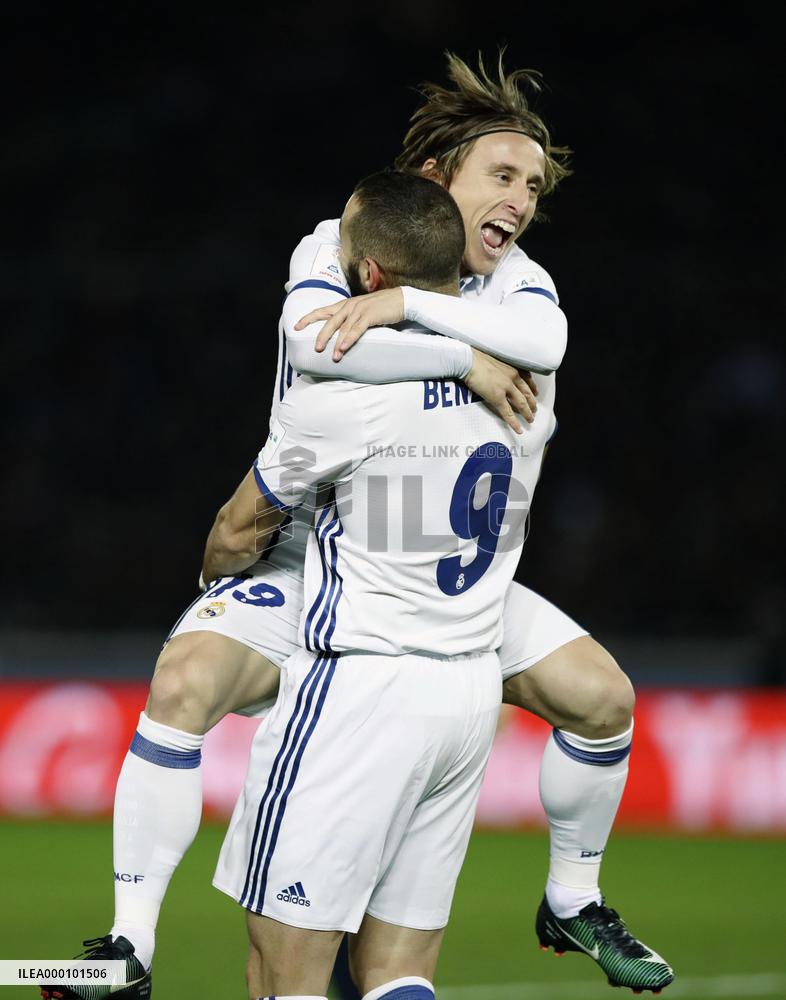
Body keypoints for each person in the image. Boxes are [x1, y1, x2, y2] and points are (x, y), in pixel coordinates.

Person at [52, 52, 671, 999]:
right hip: (312, 556)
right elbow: (317, 341)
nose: (520, 201)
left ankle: (573, 896)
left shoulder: (520, 289)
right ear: (434, 181)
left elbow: (534, 344)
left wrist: (417, 319)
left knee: (601, 698)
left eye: (533, 186)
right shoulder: (333, 245)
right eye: (500, 175)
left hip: (409, 597)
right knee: (185, 682)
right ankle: (129, 940)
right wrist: (462, 359)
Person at [211, 167, 553, 1000]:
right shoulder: (526, 395)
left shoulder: (343, 403)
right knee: (398, 974)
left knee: (282, 971)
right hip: (468, 698)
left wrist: (219, 588)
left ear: (367, 279)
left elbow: (234, 531)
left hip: (360, 690)